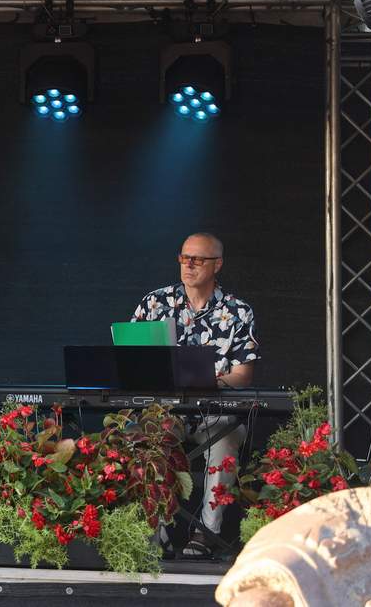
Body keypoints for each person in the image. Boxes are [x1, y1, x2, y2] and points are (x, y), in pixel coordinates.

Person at [132, 231, 259, 559]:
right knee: (146, 437)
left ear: (217, 264)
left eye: (198, 259)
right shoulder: (154, 302)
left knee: (225, 440)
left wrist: (211, 380)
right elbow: (132, 362)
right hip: (165, 412)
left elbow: (243, 376)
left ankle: (207, 533)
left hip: (214, 413)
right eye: (184, 257)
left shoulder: (238, 311)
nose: (188, 264)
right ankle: (155, 533)